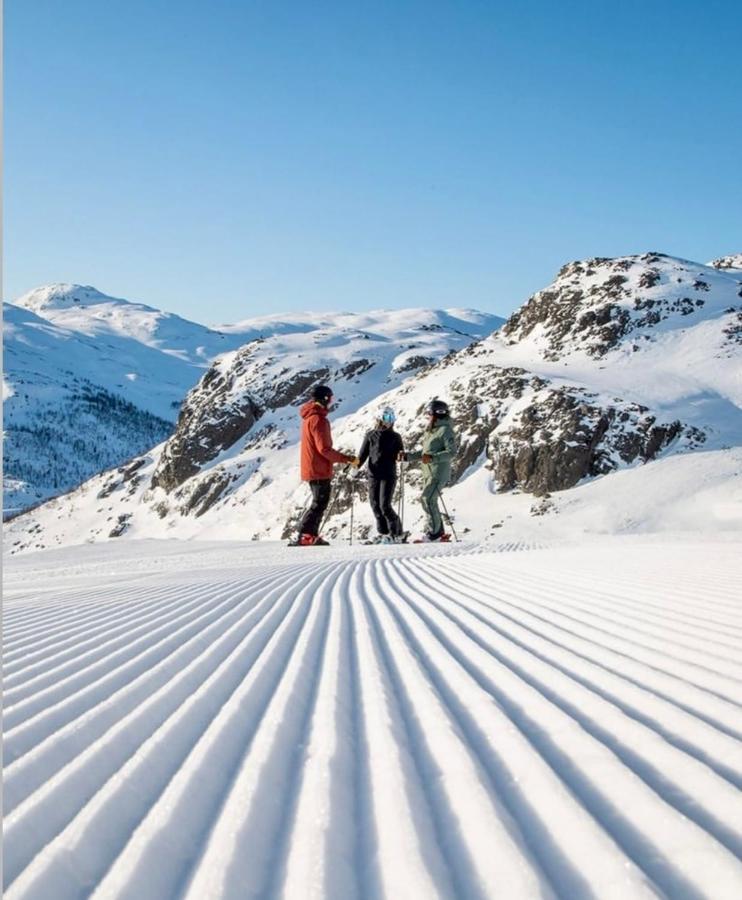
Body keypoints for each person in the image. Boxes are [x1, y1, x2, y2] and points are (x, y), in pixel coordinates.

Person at [294, 384, 357, 546]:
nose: (331, 402)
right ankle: (305, 535)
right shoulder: (318, 420)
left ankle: (309, 535)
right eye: (330, 398)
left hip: (313, 467)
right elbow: (324, 449)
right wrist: (346, 458)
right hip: (318, 468)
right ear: (325, 398)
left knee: (319, 501)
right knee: (319, 502)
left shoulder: (310, 417)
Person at [400, 398, 456, 541]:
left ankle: (435, 533)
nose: (428, 417)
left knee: (427, 499)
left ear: (437, 414)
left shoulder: (445, 430)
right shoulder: (432, 431)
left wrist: (432, 458)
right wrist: (408, 456)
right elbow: (425, 452)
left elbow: (451, 452)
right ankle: (439, 531)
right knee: (429, 500)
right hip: (428, 471)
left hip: (438, 471)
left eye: (429, 414)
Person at [357, 406, 406, 543]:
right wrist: (355, 467)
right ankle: (384, 533)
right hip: (373, 474)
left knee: (385, 505)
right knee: (374, 504)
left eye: (391, 418)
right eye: (386, 418)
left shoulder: (396, 437)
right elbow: (363, 455)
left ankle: (396, 532)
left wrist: (402, 457)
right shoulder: (370, 435)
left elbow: (400, 453)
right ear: (379, 418)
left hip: (388, 474)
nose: (389, 421)